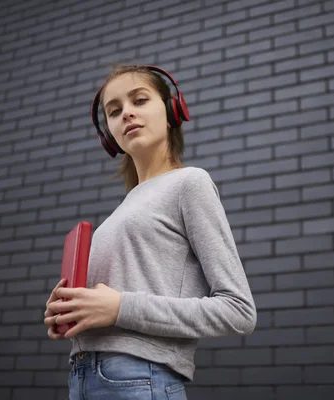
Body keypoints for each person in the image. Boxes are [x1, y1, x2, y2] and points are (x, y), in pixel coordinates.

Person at [43, 64, 257, 400]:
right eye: (114, 111)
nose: (126, 113)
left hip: (140, 377)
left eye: (139, 100)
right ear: (108, 134)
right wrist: (70, 311)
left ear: (172, 110)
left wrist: (119, 308)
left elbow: (239, 311)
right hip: (84, 375)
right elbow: (110, 305)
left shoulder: (190, 184)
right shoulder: (122, 210)